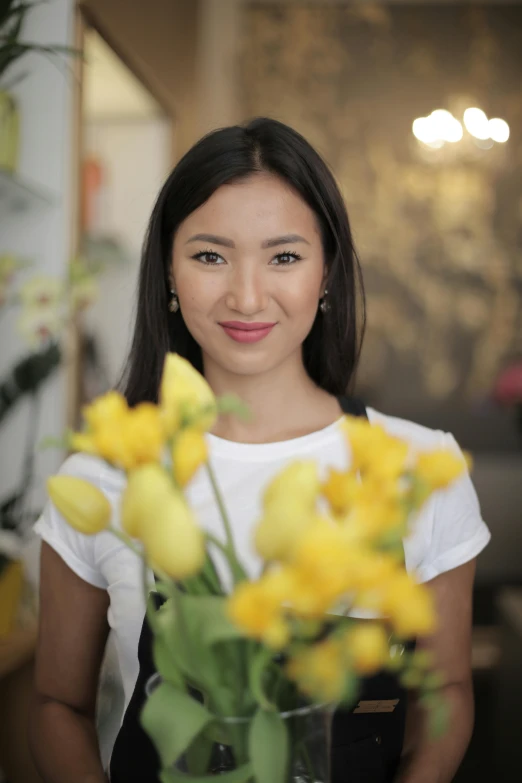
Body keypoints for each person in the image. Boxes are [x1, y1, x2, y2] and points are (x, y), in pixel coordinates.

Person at [30, 118, 490, 783]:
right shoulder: (105, 474)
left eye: (284, 256)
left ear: (326, 270)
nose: (247, 295)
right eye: (211, 255)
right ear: (167, 267)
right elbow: (56, 703)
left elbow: (444, 692)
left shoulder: (419, 466)